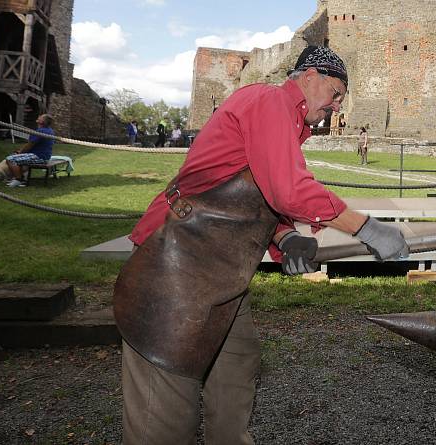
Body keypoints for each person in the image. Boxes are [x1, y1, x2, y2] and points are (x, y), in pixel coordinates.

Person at [113, 46, 409, 445]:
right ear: (309, 77)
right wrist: (368, 228)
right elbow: (288, 190)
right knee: (165, 412)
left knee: (237, 363)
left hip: (221, 272)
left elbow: (259, 192)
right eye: (336, 94)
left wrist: (286, 239)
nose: (337, 107)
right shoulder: (268, 100)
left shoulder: (284, 123)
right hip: (174, 266)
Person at [4, 114, 54, 187]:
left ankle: (18, 180)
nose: (39, 117)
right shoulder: (50, 130)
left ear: (43, 121)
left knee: (10, 159)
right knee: (17, 158)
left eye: (41, 117)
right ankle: (21, 179)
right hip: (45, 157)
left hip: (39, 157)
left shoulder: (40, 131)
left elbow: (29, 145)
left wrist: (19, 152)